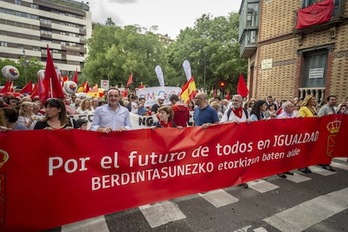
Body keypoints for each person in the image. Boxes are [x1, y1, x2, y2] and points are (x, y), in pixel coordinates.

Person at [297, 95, 318, 174]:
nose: (315, 100)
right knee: (304, 150)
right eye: (313, 99)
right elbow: (300, 119)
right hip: (305, 132)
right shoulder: (303, 109)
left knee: (309, 151)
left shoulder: (313, 109)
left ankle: (306, 165)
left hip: (312, 133)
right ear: (308, 100)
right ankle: (301, 166)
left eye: (315, 99)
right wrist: (312, 119)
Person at [276, 101, 297, 178]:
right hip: (284, 139)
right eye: (291, 106)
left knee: (289, 154)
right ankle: (279, 170)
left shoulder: (294, 114)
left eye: (293, 106)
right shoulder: (281, 116)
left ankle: (286, 169)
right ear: (285, 108)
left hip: (292, 138)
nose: (293, 108)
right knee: (282, 155)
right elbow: (277, 129)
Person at [317, 95, 338, 172]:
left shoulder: (334, 108)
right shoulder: (324, 108)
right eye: (332, 100)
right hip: (324, 131)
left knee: (328, 148)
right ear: (328, 100)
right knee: (326, 148)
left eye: (335, 100)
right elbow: (319, 117)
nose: (334, 101)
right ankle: (326, 163)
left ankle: (322, 162)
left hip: (331, 132)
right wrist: (327, 117)